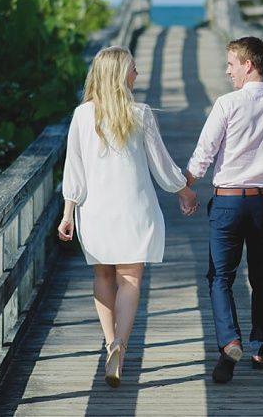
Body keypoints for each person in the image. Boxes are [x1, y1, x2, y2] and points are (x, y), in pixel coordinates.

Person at [57, 46, 198, 388]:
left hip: (95, 210)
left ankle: (109, 343)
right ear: (121, 75)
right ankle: (122, 343)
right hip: (135, 209)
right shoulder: (141, 113)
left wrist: (68, 212)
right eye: (134, 68)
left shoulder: (81, 115)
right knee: (130, 280)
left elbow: (73, 169)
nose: (138, 73)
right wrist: (183, 190)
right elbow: (161, 164)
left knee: (103, 276)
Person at [185, 36, 263, 383]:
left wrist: (185, 187)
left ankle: (229, 340)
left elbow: (204, 153)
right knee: (261, 275)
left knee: (221, 276)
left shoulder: (226, 105)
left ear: (248, 64)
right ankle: (259, 348)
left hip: (227, 200)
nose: (227, 71)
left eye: (231, 64)